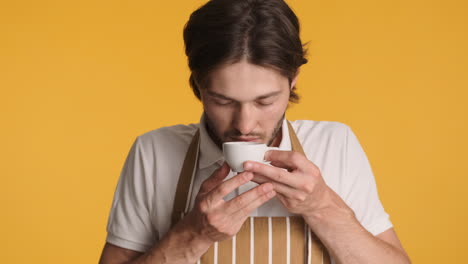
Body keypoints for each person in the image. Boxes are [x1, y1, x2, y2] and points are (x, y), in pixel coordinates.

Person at [99, 0, 411, 263]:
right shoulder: (153, 151)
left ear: (293, 80)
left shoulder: (334, 144)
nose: (245, 125)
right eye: (223, 101)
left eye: (265, 101)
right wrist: (195, 234)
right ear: (198, 84)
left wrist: (322, 206)